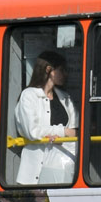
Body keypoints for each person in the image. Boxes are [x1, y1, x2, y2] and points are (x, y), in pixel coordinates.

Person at [14, 50, 77, 185]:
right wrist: (63, 132)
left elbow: (76, 130)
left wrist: (61, 137)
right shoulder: (29, 95)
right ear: (49, 70)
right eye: (62, 70)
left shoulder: (65, 97)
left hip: (63, 167)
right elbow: (32, 131)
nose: (65, 74)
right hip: (34, 174)